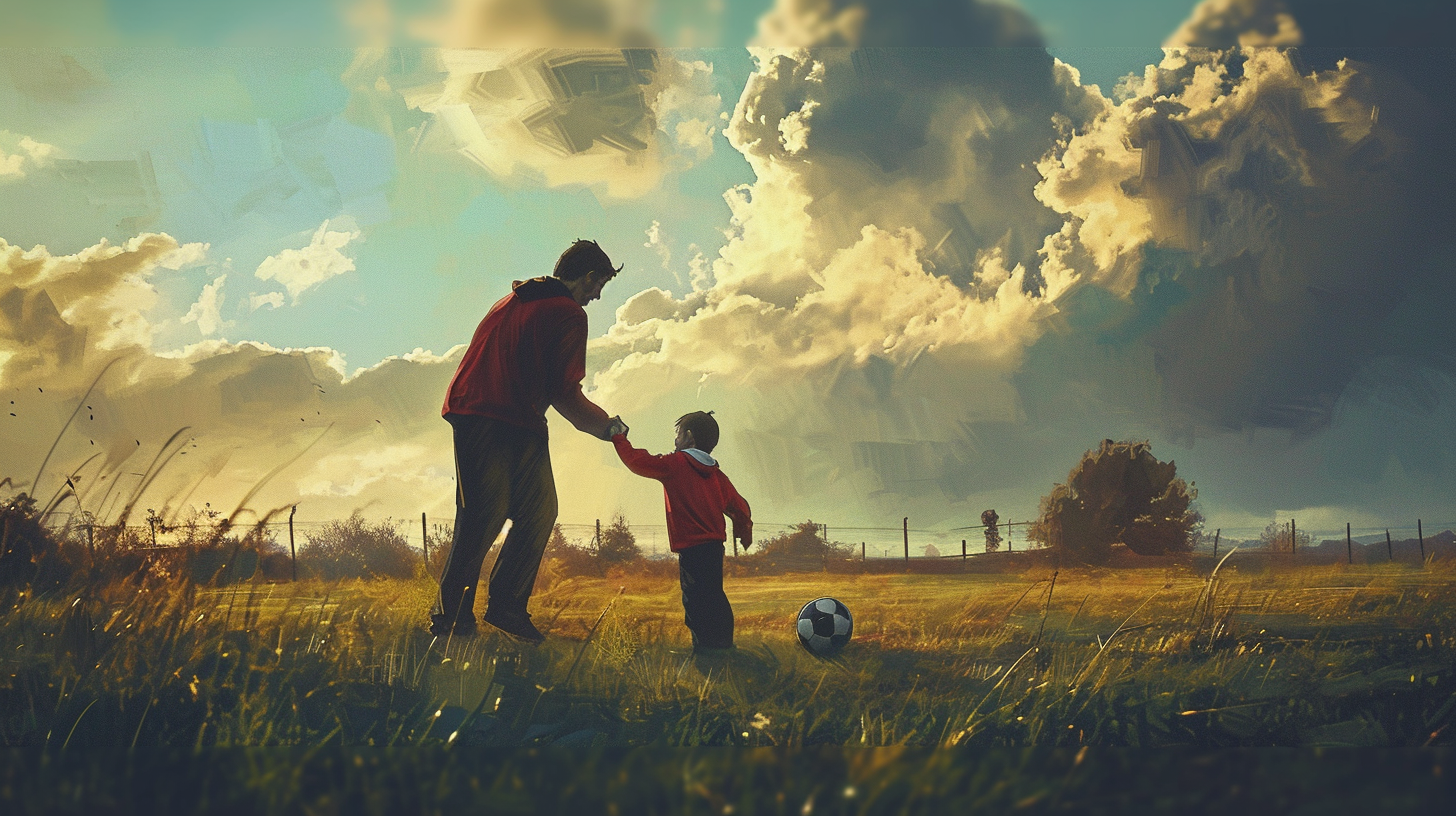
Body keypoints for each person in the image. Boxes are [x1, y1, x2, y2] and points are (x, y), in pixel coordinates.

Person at [431, 239, 626, 643]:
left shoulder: (512, 300)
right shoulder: (569, 313)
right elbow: (564, 391)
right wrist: (607, 426)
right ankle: (460, 619)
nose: (597, 296)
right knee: (500, 516)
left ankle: (496, 610)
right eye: (599, 285)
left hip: (485, 413)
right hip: (500, 416)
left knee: (513, 513)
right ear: (588, 276)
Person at [610, 411, 752, 652]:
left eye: (677, 435)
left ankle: (706, 649)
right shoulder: (717, 475)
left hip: (691, 548)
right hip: (715, 547)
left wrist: (619, 438)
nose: (675, 441)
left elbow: (637, 461)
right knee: (714, 595)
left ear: (688, 437)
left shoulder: (675, 464)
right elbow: (739, 506)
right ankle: (723, 644)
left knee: (695, 599)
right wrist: (743, 531)